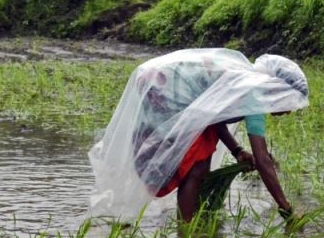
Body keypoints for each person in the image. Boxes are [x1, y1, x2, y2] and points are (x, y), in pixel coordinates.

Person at [88, 48, 309, 224]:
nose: (289, 110)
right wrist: (286, 208)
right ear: (277, 89)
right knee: (197, 167)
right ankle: (187, 229)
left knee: (199, 160)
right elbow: (263, 161)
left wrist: (237, 151)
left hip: (159, 86)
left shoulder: (245, 81)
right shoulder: (253, 94)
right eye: (289, 101)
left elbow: (211, 117)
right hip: (163, 94)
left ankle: (186, 222)